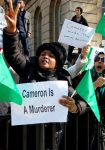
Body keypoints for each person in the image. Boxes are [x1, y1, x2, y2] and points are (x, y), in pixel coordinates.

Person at [3, 1, 87, 149]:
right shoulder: (28, 68)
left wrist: (75, 107)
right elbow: (13, 53)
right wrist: (11, 31)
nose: (45, 56)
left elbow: (82, 102)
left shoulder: (63, 79)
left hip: (52, 138)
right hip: (24, 136)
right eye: (42, 54)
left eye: (50, 55)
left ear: (58, 62)